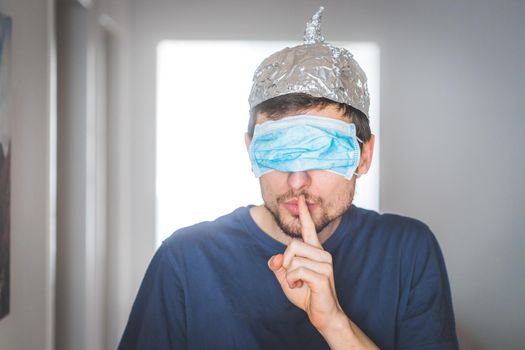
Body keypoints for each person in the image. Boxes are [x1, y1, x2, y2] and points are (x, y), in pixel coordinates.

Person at [119, 7, 458, 350]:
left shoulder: (407, 250)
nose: (297, 182)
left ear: (364, 156)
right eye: (279, 152)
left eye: (322, 151)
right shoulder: (185, 260)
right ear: (251, 151)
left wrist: (334, 323)